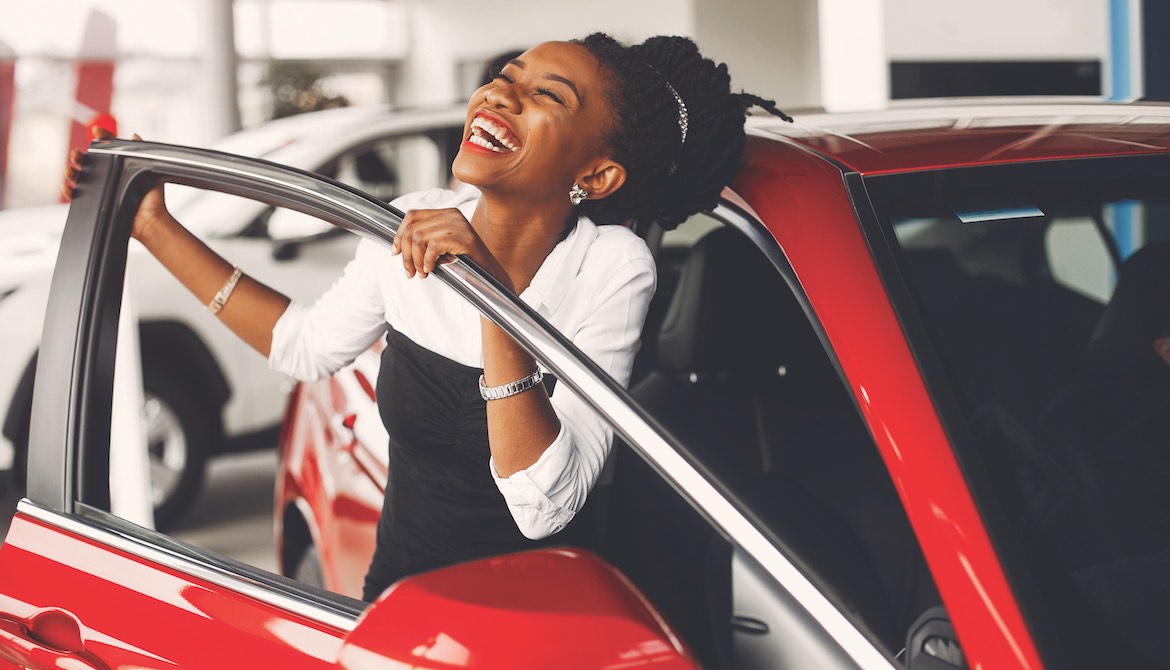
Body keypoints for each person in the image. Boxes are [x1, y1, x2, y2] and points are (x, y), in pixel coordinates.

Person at [63, 33, 790, 602]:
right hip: (403, 605)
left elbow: (546, 507)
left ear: (595, 177)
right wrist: (153, 226)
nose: (500, 96)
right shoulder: (410, 221)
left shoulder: (613, 267)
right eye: (505, 77)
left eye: (547, 96)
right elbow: (304, 347)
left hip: (546, 621)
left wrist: (487, 292)